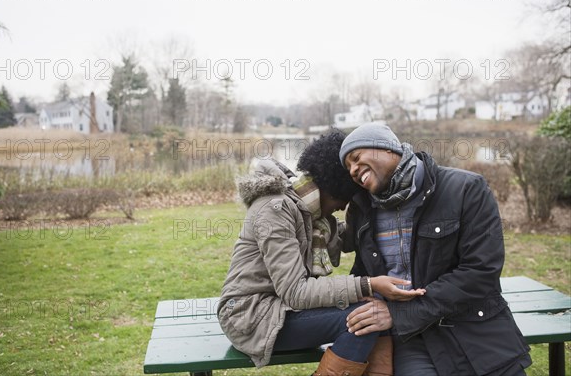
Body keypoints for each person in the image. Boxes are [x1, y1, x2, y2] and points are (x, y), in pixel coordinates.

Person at [217, 129, 425, 376]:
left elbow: (349, 236)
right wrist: (369, 284)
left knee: (374, 312)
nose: (343, 207)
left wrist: (391, 221)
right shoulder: (276, 209)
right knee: (366, 318)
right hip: (250, 317)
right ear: (334, 186)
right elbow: (296, 292)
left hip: (278, 309)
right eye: (344, 200)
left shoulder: (310, 213)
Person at [338, 123, 532, 376]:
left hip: (475, 329)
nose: (353, 170)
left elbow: (481, 271)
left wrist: (400, 313)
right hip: (410, 339)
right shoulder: (362, 209)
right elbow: (363, 271)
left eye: (355, 158)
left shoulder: (465, 188)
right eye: (348, 168)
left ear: (384, 147)